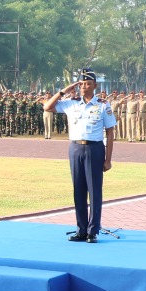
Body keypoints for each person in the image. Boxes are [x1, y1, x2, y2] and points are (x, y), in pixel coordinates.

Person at [42, 69, 117, 242]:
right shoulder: (71, 103)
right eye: (81, 84)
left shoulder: (103, 105)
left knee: (94, 191)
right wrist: (64, 90)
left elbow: (110, 133)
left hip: (94, 149)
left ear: (95, 86)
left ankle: (92, 231)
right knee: (78, 191)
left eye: (88, 84)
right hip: (75, 149)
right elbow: (47, 107)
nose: (84, 87)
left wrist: (108, 159)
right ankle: (81, 229)